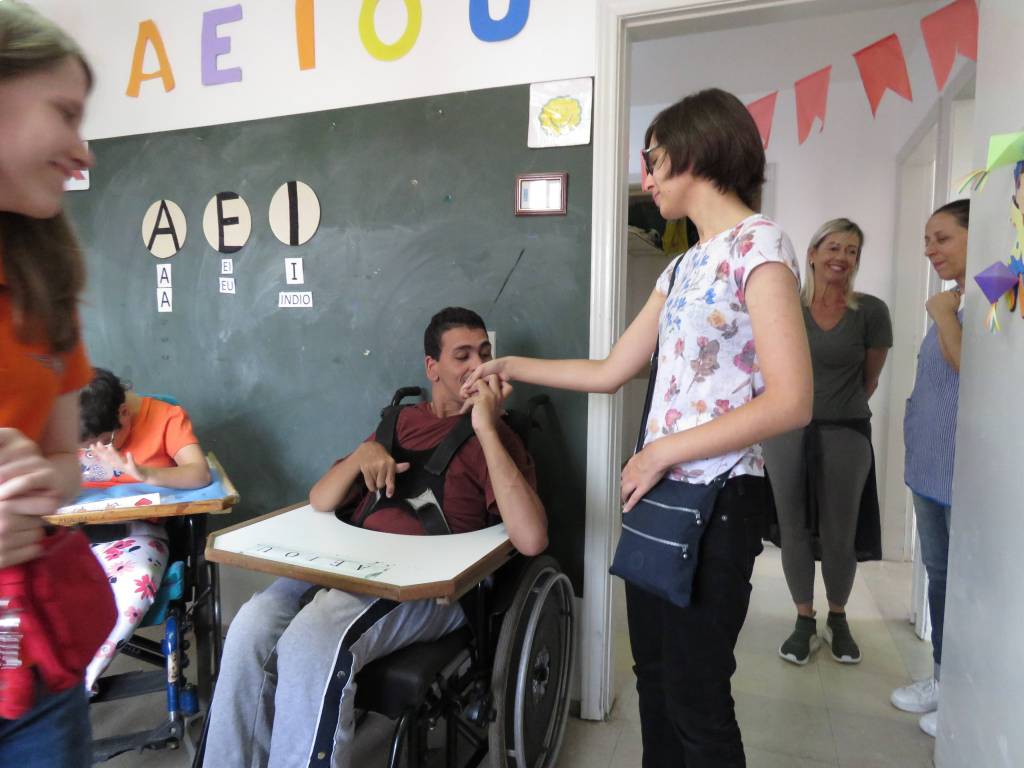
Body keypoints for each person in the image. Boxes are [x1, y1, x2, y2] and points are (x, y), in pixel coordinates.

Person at [464, 89, 812, 767]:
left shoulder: (760, 244)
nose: (646, 178)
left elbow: (792, 401)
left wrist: (659, 454)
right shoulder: (681, 267)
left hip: (719, 499)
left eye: (652, 160)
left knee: (696, 697)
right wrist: (509, 365)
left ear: (696, 151)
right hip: (659, 496)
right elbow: (609, 370)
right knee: (653, 679)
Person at [204, 307, 546, 768]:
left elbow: (531, 539)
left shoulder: (496, 436)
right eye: (462, 355)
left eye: (484, 354)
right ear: (432, 368)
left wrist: (486, 427)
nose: (477, 366)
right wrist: (360, 456)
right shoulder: (398, 422)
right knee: (252, 623)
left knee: (311, 637)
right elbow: (321, 499)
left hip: (427, 585)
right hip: (353, 561)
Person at [0, 3, 115, 765]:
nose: (85, 152)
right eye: (66, 114)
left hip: (34, 669)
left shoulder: (44, 282)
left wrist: (39, 482)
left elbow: (66, 463)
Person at [764, 219, 892, 666]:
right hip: (785, 432)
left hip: (846, 432)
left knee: (841, 532)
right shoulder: (786, 308)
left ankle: (838, 618)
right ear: (813, 253)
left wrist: (833, 407)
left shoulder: (871, 311)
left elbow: (869, 380)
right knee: (793, 528)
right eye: (834, 247)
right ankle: (804, 620)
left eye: (852, 250)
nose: (842, 257)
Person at [77, 368, 211, 690]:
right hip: (73, 538)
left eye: (104, 442)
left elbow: (200, 474)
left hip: (136, 537)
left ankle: (74, 687)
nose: (96, 452)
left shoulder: (165, 418)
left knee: (133, 588)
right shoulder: (63, 419)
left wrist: (146, 474)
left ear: (123, 413)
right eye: (85, 447)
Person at [890, 199, 969, 738]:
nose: (930, 250)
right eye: (926, 240)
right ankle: (943, 678)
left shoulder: (998, 297)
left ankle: (967, 696)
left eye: (942, 238)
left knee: (968, 585)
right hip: (930, 470)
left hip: (966, 477)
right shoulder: (955, 298)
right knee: (939, 577)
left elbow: (975, 372)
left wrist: (942, 315)